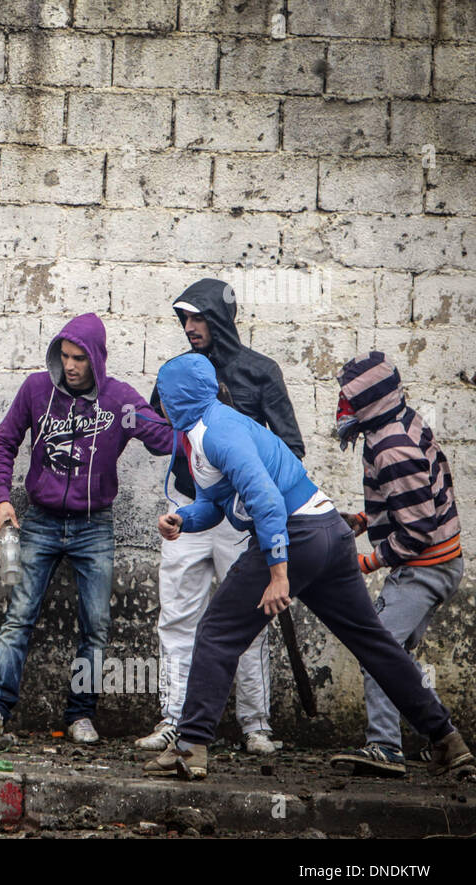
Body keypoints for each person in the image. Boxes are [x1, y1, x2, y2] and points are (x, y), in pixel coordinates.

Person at [143, 352, 475, 780]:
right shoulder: (210, 428)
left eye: (164, 396)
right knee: (373, 642)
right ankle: (448, 740)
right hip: (329, 532)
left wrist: (279, 572)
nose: (161, 405)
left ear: (175, 398)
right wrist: (183, 520)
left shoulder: (216, 433)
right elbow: (219, 501)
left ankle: (189, 747)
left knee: (216, 633)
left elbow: (264, 498)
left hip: (296, 534)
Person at [0, 313, 174, 742]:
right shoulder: (35, 389)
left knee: (96, 624)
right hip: (40, 521)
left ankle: (80, 715)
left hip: (94, 526)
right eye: (64, 356)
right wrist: (2, 497)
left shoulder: (119, 401)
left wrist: (171, 401)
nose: (69, 365)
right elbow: (4, 442)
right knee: (19, 617)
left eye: (79, 358)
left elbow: (165, 442)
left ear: (96, 359)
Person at [138, 279, 305, 755]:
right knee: (177, 617)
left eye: (199, 318)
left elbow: (291, 448)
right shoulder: (178, 374)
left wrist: (237, 447)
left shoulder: (260, 371)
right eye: (185, 319)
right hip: (189, 508)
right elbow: (159, 425)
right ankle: (175, 719)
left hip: (243, 520)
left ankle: (256, 725)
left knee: (246, 621)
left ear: (221, 319)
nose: (191, 328)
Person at [328, 352, 464, 776]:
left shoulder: (390, 447)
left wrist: (368, 561)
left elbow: (418, 529)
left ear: (369, 399)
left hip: (424, 568)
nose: (341, 406)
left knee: (378, 652)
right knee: (397, 655)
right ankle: (445, 742)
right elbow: (415, 499)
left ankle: (385, 747)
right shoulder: (401, 422)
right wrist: (368, 519)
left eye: (349, 397)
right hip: (440, 561)